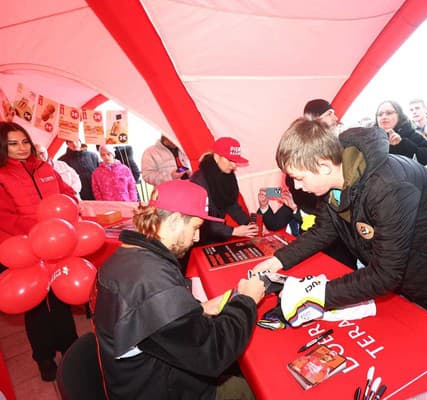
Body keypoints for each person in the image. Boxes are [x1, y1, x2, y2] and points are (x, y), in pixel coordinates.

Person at [253, 119, 427, 318]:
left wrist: (315, 296)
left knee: (426, 340)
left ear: (324, 166)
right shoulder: (334, 184)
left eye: (299, 178)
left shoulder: (388, 187)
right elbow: (323, 230)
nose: (298, 186)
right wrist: (276, 261)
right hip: (401, 269)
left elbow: (386, 273)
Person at [93, 179, 265, 399]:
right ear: (174, 221)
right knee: (249, 390)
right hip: (166, 390)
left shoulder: (127, 257)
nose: (197, 237)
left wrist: (197, 309)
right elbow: (213, 353)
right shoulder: (152, 282)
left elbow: (154, 321)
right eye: (195, 228)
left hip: (145, 380)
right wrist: (247, 301)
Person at [0, 122, 78, 382]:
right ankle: (43, 357)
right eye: (13, 143)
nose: (22, 148)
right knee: (34, 306)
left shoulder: (45, 167)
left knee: (61, 295)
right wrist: (41, 231)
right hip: (22, 247)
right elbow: (5, 216)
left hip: (55, 243)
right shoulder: (1, 175)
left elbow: (66, 194)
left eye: (24, 141)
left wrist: (72, 206)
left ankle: (70, 348)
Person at [189, 137, 258, 243]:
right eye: (230, 160)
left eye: (235, 161)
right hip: (200, 238)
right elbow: (200, 219)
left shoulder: (228, 176)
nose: (234, 165)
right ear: (217, 156)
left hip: (219, 234)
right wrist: (232, 231)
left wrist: (248, 223)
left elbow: (232, 205)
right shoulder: (198, 181)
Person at [375, 100, 427, 165]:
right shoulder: (372, 141)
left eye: (389, 113)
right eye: (380, 114)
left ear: (399, 115)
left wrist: (402, 144)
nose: (383, 117)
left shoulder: (412, 135)